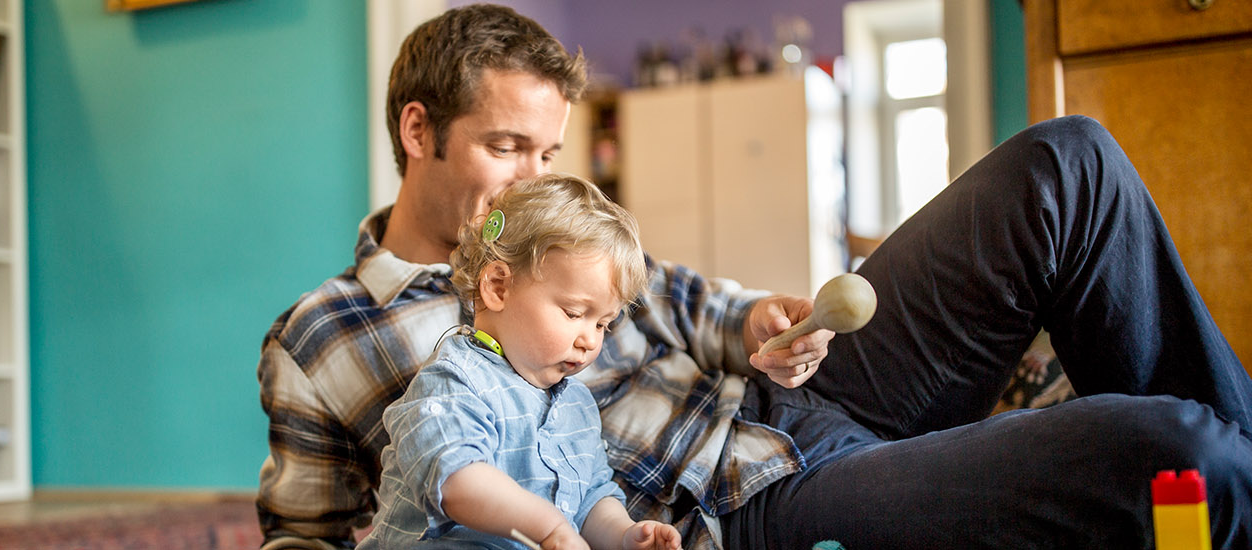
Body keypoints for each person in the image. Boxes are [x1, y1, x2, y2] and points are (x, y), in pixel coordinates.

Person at [257, 4, 1252, 549]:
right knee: (1172, 453)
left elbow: (685, 298)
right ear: (417, 131)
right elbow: (303, 537)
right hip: (745, 506)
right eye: (507, 147)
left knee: (1064, 164)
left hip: (791, 394)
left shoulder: (560, 223)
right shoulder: (323, 339)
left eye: (550, 151)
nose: (536, 180)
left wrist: (759, 320)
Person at [357, 173, 680, 550]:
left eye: (603, 323)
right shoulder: (454, 380)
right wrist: (548, 528)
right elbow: (457, 480)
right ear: (498, 286)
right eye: (574, 313)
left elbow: (591, 499)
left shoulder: (577, 406)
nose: (590, 339)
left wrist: (625, 535)